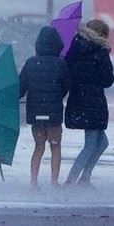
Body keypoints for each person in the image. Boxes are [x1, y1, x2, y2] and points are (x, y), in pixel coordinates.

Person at [64, 19, 114, 187]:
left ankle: (85, 177)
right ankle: (72, 181)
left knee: (102, 142)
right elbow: (107, 80)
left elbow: (69, 71)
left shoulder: (75, 47)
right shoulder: (100, 52)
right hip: (93, 102)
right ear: (102, 35)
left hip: (79, 98)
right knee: (92, 144)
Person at [19, 26, 70, 188]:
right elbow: (66, 87)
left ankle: (33, 182)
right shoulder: (60, 64)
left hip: (36, 114)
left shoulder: (30, 63)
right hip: (53, 115)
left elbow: (21, 88)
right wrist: (55, 97)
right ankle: (54, 182)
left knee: (39, 146)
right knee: (55, 146)